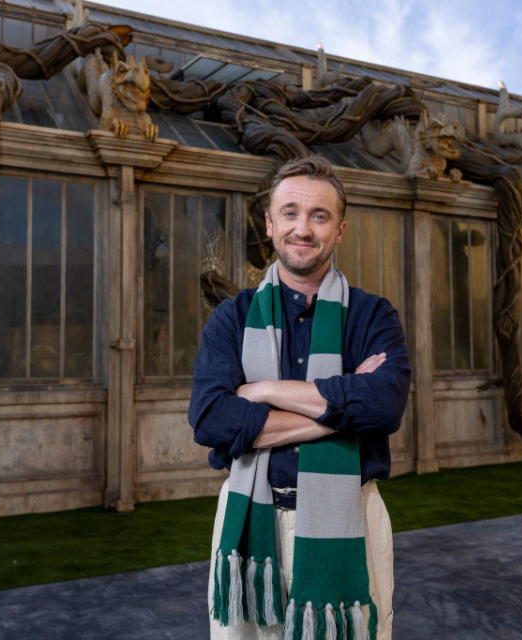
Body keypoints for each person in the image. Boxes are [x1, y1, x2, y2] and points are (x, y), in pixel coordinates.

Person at [188, 156, 410, 640]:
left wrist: (263, 392)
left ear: (340, 228)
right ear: (269, 224)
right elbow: (210, 418)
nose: (302, 229)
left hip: (350, 516)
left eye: (319, 215)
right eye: (289, 213)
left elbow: (386, 404)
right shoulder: (232, 317)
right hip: (250, 520)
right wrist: (341, 408)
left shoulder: (373, 316)